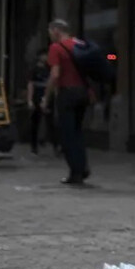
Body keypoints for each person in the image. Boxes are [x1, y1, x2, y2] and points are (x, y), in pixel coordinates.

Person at [41, 20, 90, 185]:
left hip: (67, 93)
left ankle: (75, 172)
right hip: (83, 92)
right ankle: (83, 167)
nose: (50, 35)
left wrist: (46, 97)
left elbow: (55, 74)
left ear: (56, 30)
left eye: (50, 31)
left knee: (67, 134)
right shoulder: (81, 44)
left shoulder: (56, 48)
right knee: (78, 131)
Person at [27, 49, 57, 156]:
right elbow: (30, 84)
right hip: (37, 96)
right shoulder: (34, 69)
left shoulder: (50, 68)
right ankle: (34, 147)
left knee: (51, 122)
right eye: (44, 56)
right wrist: (30, 100)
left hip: (48, 96)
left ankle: (55, 146)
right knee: (35, 122)